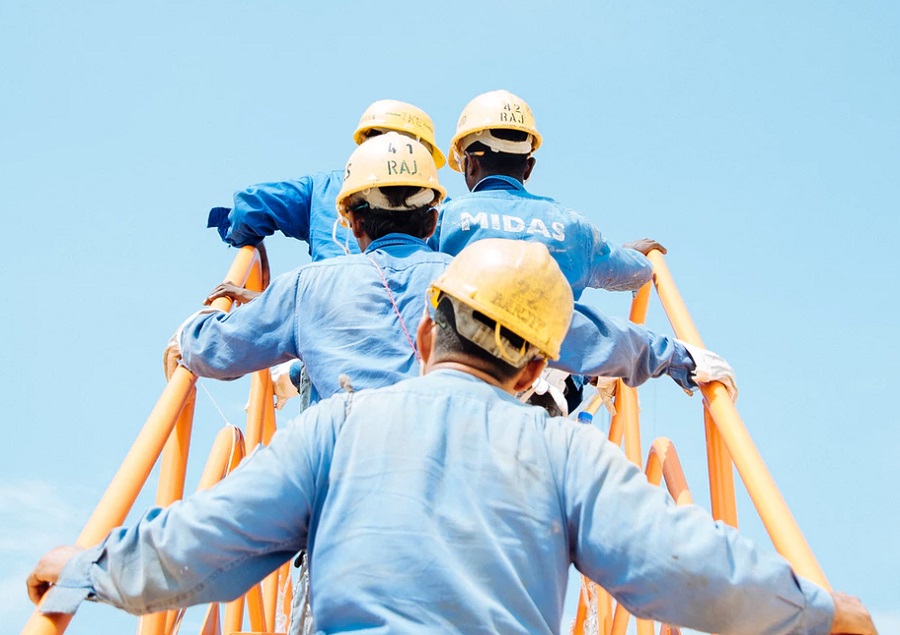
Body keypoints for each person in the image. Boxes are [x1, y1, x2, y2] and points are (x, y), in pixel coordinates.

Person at [29, 239, 875, 635]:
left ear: (428, 335)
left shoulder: (334, 428)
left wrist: (80, 575)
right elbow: (681, 562)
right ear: (533, 368)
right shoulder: (568, 450)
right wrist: (815, 610)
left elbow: (203, 543)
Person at [431, 89, 661, 301]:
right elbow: (633, 272)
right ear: (529, 166)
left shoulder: (443, 218)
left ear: (470, 163)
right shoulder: (574, 227)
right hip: (554, 345)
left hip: (462, 344)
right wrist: (633, 255)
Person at [207, 99, 446, 262]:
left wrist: (249, 241)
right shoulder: (440, 207)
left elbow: (249, 208)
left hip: (325, 315)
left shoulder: (321, 190)